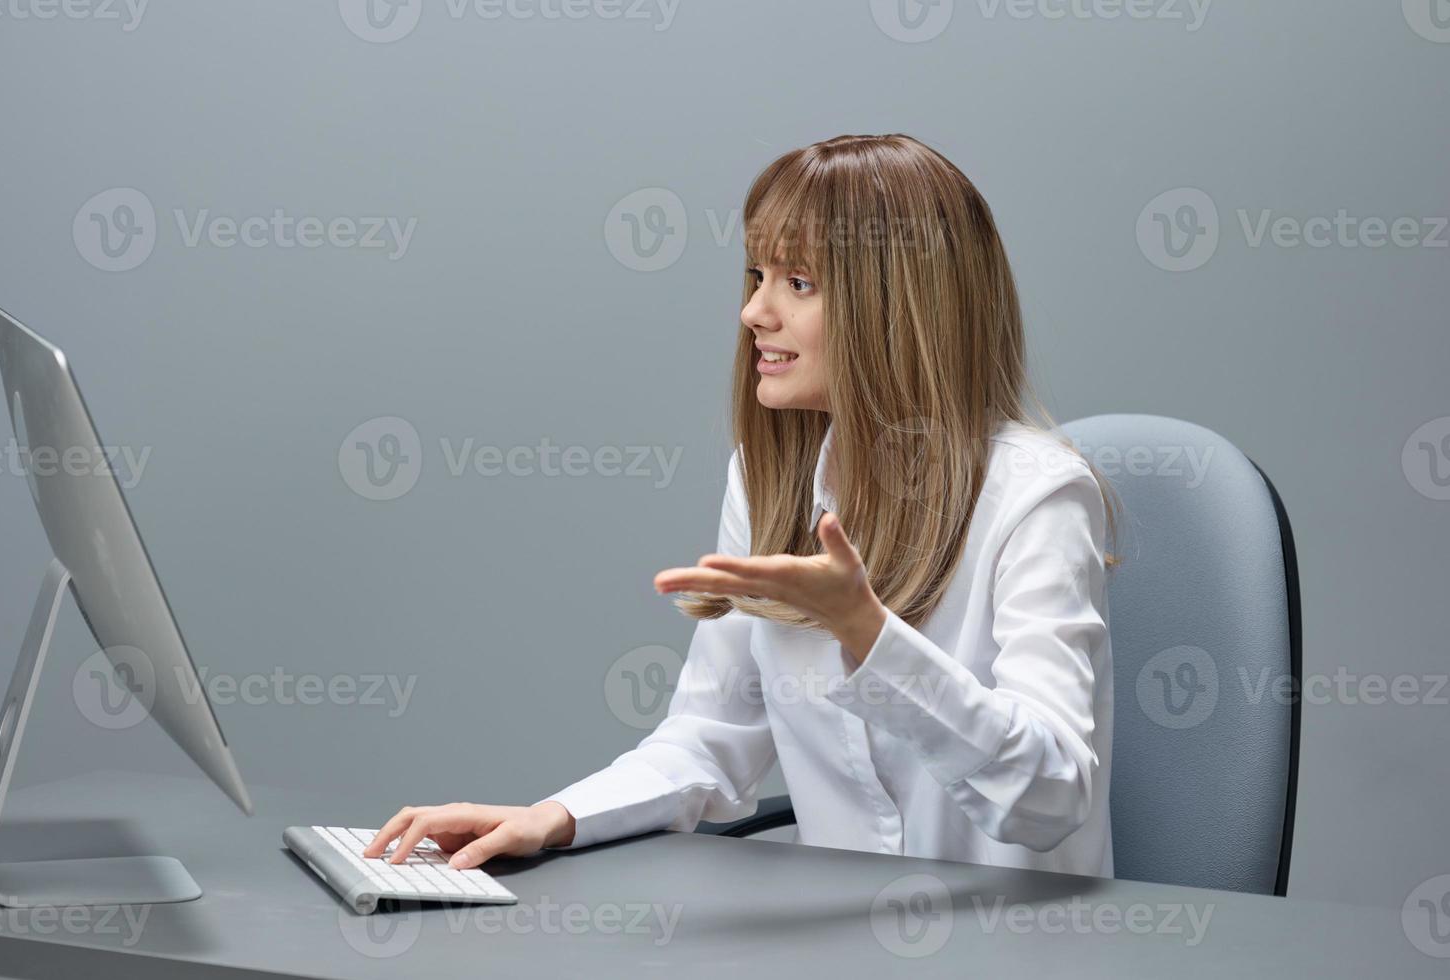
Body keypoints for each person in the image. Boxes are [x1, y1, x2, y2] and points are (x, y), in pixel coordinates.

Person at [364, 133, 1121, 879]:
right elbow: (709, 737)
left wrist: (866, 630)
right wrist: (550, 818)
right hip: (839, 942)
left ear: (900, 307)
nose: (754, 312)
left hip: (1012, 945)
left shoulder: (1038, 498)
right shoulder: (768, 480)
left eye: (799, 283)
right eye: (756, 274)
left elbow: (1051, 796)